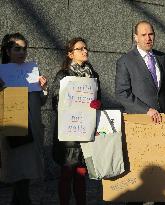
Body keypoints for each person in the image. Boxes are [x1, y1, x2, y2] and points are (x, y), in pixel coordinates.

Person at [51, 37, 100, 205]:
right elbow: (55, 103)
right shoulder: (63, 76)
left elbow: (98, 101)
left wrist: (96, 104)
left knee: (81, 175)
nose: (85, 51)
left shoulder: (93, 75)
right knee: (66, 175)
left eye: (86, 48)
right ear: (70, 54)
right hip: (69, 136)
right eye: (80, 49)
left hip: (86, 133)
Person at [0, 33, 47, 205]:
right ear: (7, 51)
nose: (21, 52)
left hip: (32, 129)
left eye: (24, 49)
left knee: (25, 175)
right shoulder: (2, 73)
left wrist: (43, 89)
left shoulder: (32, 71)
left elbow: (40, 102)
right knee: (18, 172)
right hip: (13, 128)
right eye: (17, 48)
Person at [115, 20, 165, 123]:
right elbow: (122, 93)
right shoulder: (125, 61)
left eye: (151, 34)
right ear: (136, 37)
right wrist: (146, 110)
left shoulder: (162, 58)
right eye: (143, 35)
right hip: (141, 120)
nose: (148, 38)